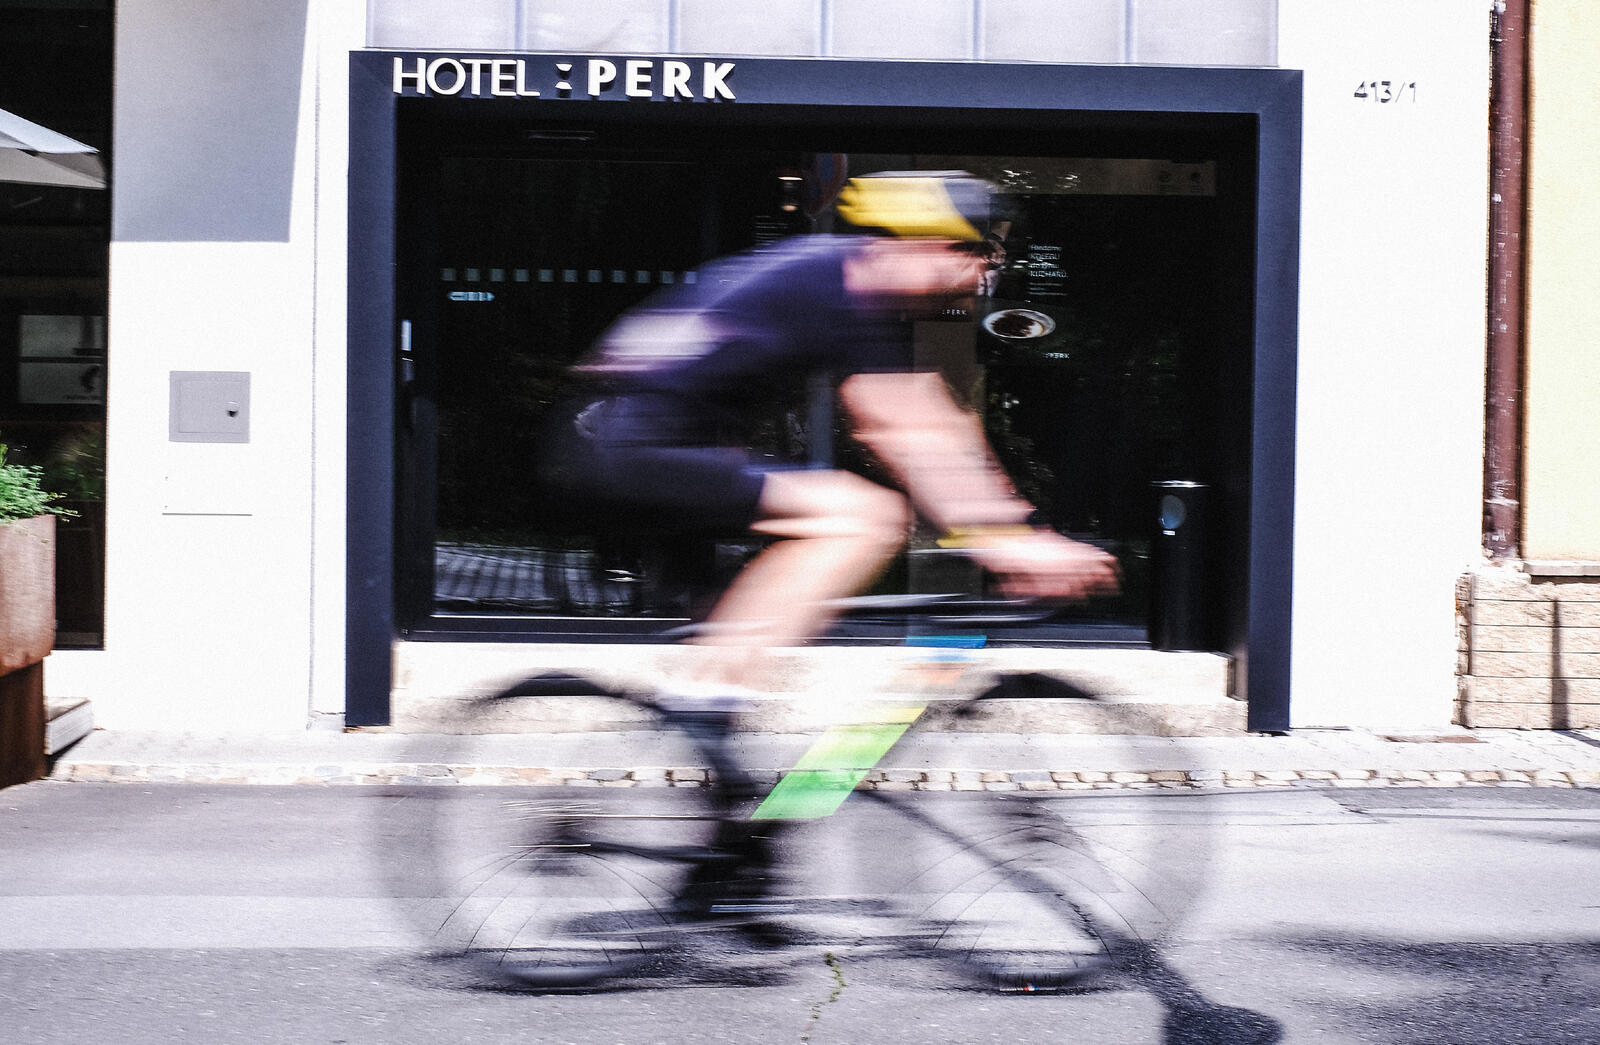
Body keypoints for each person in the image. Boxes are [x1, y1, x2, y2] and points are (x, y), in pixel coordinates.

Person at [537, 171, 1120, 703]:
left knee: (760, 601)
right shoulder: (841, 284)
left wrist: (1019, 530)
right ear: (935, 244)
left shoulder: (856, 285)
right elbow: (906, 432)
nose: (982, 276)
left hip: (633, 441)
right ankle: (710, 697)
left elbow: (941, 427)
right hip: (624, 445)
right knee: (865, 517)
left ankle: (713, 729)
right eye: (979, 255)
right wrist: (1007, 542)